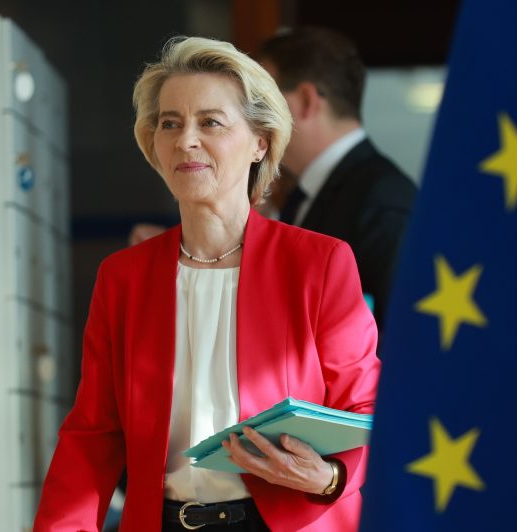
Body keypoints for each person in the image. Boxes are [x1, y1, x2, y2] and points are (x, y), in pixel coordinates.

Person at [34, 36, 380, 532]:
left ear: (260, 141)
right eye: (170, 123)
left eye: (210, 122)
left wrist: (330, 476)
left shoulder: (319, 262)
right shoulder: (123, 276)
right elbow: (93, 434)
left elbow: (364, 406)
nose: (185, 140)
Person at [258, 27, 417, 333]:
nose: (251, 118)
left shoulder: (384, 201)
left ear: (306, 101)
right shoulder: (303, 195)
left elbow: (400, 335)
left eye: (261, 101)